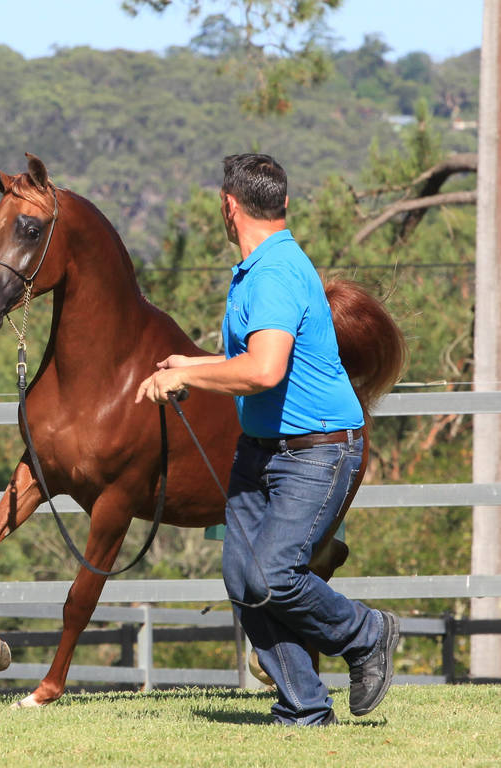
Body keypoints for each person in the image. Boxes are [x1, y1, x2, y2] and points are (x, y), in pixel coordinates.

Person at [135, 153, 399, 727]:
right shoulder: (263, 266)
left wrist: (183, 376)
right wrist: (198, 363)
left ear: (229, 206)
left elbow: (263, 372)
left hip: (317, 450)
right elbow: (254, 361)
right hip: (263, 451)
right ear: (282, 203)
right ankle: (303, 707)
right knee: (243, 578)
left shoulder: (275, 273)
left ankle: (366, 633)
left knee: (275, 575)